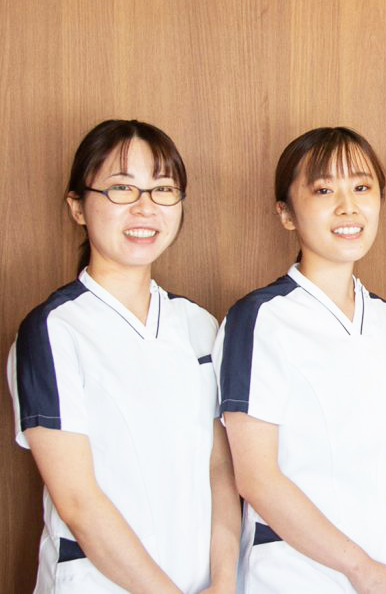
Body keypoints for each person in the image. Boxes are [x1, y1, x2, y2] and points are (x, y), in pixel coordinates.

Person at [6, 119, 239, 593]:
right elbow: (78, 501)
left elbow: (219, 468)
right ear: (78, 206)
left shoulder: (199, 326)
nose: (145, 207)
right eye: (121, 188)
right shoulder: (53, 330)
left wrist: (224, 580)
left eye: (163, 189)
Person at [215, 126, 386, 593]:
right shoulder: (260, 318)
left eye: (362, 187)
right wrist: (358, 568)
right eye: (324, 190)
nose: (348, 207)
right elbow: (256, 477)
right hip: (294, 576)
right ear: (286, 213)